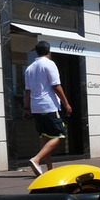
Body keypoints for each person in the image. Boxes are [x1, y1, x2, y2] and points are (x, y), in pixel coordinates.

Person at [23, 40, 72, 176]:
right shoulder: (50, 64)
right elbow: (56, 86)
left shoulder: (29, 68)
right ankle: (37, 159)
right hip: (49, 106)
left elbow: (27, 91)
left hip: (36, 107)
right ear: (49, 51)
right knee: (59, 135)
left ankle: (49, 169)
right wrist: (66, 103)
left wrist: (26, 108)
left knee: (44, 137)